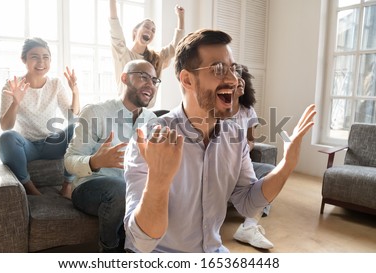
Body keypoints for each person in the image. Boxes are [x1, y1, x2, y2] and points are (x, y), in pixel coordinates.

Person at [123, 29, 316, 253]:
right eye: (218, 69)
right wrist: (158, 180)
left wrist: (287, 165)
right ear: (187, 79)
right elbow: (141, 242)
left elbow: (247, 203)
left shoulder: (235, 136)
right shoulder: (150, 138)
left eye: (233, 69)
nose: (234, 80)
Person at [64, 59, 158, 252]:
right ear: (124, 78)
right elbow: (69, 161)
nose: (150, 84)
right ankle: (109, 250)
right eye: (143, 76)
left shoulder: (152, 120)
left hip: (133, 189)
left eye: (155, 80)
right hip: (89, 187)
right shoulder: (95, 112)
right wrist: (95, 161)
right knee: (120, 189)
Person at [0, 37, 80, 198]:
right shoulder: (12, 86)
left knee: (78, 127)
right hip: (27, 146)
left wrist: (75, 91)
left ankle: (67, 185)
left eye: (45, 57)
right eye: (34, 57)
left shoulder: (55, 84)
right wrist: (16, 103)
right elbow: (5, 126)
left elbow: (72, 117)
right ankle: (30, 188)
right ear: (24, 59)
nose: (41, 62)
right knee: (6, 137)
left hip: (52, 142)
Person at [231, 65, 275, 249]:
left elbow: (251, 140)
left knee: (270, 172)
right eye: (234, 76)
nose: (238, 80)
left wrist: (244, 148)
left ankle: (249, 226)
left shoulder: (248, 110)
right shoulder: (214, 110)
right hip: (223, 167)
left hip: (243, 162)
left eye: (241, 77)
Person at [109, 0, 185, 107]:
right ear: (135, 31)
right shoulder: (123, 54)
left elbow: (176, 46)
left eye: (153, 30)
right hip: (123, 110)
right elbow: (115, 26)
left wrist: (181, 17)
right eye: (146, 27)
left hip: (146, 113)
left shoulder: (156, 58)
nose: (150, 31)